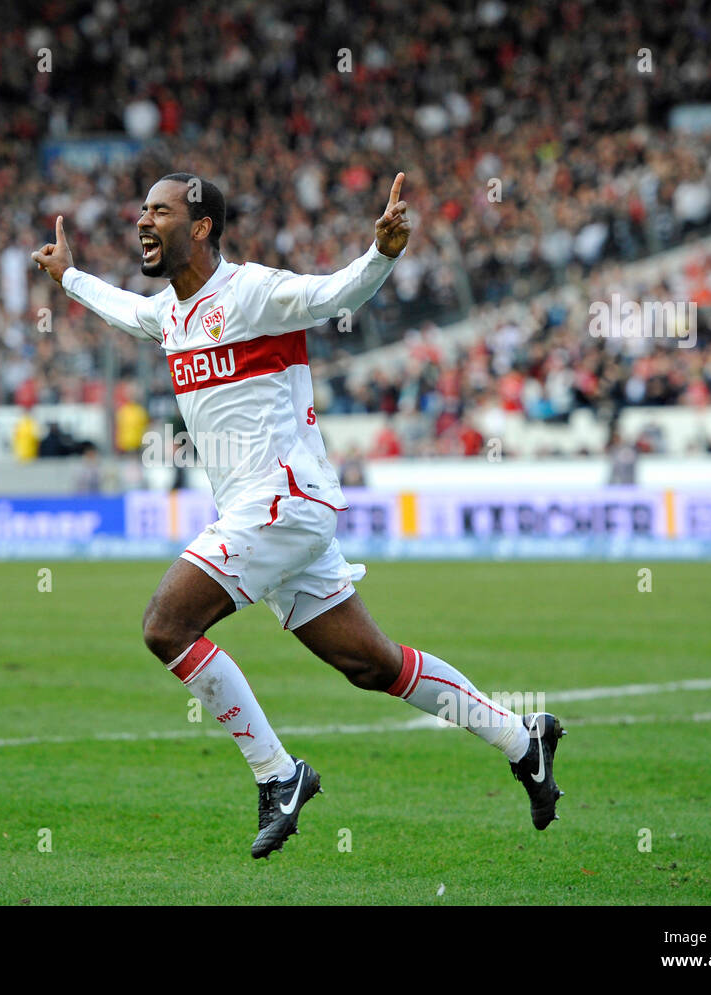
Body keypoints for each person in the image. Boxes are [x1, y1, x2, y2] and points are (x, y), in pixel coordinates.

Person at [32, 172, 566, 858]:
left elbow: (333, 293)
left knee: (166, 626)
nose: (142, 220)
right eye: (140, 209)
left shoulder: (252, 292)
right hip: (275, 515)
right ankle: (525, 742)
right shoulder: (170, 312)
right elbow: (123, 308)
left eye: (158, 210)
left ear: (199, 226)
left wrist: (382, 254)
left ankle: (279, 774)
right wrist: (70, 277)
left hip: (282, 502)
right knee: (372, 664)